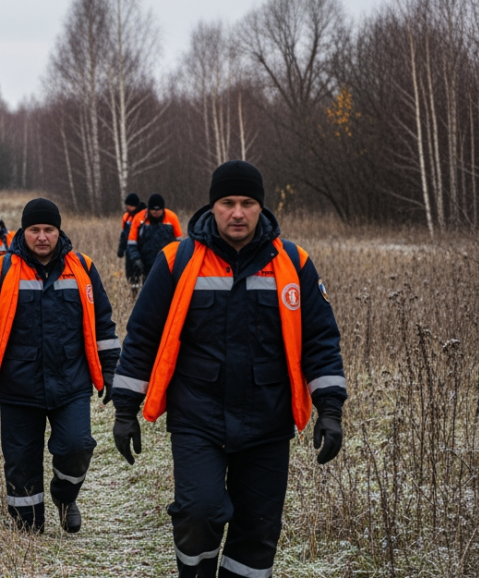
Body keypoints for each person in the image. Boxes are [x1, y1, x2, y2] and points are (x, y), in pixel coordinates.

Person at [111, 161, 347, 578]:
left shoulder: (294, 264)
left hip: (268, 420)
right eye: (227, 203)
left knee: (257, 532)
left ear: (261, 207)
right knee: (198, 512)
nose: (237, 213)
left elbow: (321, 339)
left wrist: (330, 409)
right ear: (212, 206)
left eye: (247, 203)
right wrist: (125, 409)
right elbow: (143, 337)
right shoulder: (176, 261)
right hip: (196, 416)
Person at [0, 198, 120, 533]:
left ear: (59, 231)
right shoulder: (1, 271)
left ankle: (64, 495)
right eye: (35, 230)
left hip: (71, 383)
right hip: (18, 385)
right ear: (23, 232)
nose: (42, 236)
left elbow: (102, 323)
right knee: (21, 463)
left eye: (49, 229)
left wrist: (113, 371)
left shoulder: (83, 269)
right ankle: (28, 529)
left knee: (77, 446)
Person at [127, 193, 181, 279]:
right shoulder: (139, 218)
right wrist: (136, 259)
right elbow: (131, 243)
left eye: (159, 211)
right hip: (145, 265)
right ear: (148, 209)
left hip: (167, 264)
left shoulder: (172, 218)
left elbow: (179, 243)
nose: (156, 213)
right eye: (153, 211)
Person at [118, 193, 147, 285]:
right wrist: (121, 249)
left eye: (129, 205)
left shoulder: (145, 216)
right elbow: (123, 235)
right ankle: (133, 293)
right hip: (129, 250)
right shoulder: (126, 217)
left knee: (143, 272)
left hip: (142, 249)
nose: (127, 208)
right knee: (130, 274)